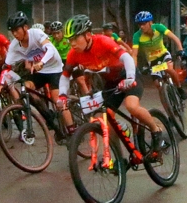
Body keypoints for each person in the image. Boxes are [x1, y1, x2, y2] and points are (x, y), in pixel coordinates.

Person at [56, 13, 168, 154]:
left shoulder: (103, 41)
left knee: (131, 106)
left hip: (127, 75)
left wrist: (129, 78)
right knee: (103, 120)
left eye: (75, 38)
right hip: (110, 83)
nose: (72, 43)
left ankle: (156, 130)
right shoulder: (74, 54)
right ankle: (119, 158)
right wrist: (62, 96)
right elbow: (65, 76)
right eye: (70, 40)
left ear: (88, 35)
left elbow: (126, 57)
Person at [4, 11, 63, 102]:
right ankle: (45, 114)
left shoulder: (36, 33)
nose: (14, 34)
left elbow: (50, 50)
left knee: (57, 102)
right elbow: (8, 64)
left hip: (55, 69)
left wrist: (41, 62)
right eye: (12, 31)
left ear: (25, 27)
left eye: (16, 30)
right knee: (26, 88)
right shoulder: (14, 45)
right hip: (40, 72)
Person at [132, 12, 187, 100]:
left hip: (163, 55)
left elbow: (175, 38)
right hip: (152, 61)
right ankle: (167, 103)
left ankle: (179, 88)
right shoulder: (137, 36)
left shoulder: (159, 27)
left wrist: (180, 49)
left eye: (144, 23)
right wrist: (134, 69)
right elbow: (134, 54)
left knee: (169, 69)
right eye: (139, 24)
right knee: (157, 85)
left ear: (150, 22)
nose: (141, 27)